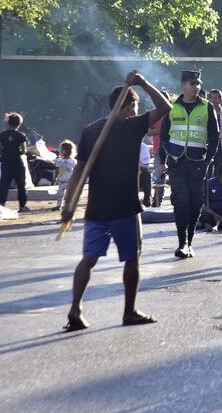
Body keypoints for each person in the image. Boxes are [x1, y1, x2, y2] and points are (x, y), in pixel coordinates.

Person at [62, 71, 172, 332]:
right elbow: (165, 107)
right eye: (135, 106)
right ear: (129, 106)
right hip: (124, 207)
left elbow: (79, 171)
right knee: (132, 259)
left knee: (88, 258)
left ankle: (75, 308)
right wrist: (144, 82)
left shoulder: (91, 131)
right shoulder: (131, 125)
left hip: (97, 208)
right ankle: (129, 311)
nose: (136, 111)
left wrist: (68, 206)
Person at [159, 70, 219, 259]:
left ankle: (190, 242)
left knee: (195, 203)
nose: (196, 87)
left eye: (198, 84)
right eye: (192, 84)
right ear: (182, 85)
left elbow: (215, 137)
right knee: (181, 201)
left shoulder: (207, 107)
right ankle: (182, 242)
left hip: (198, 163)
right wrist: (161, 162)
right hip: (176, 162)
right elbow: (163, 137)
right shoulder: (172, 107)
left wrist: (208, 160)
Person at [0, 112, 30, 212]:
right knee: (21, 185)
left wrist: (6, 151)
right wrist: (17, 151)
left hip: (6, 162)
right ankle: (22, 206)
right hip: (17, 163)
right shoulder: (21, 136)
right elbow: (24, 150)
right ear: (19, 124)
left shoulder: (2, 134)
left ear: (8, 123)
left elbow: (0, 148)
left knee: (4, 184)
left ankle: (1, 204)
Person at [147, 90, 170, 207]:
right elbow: (148, 131)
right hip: (158, 151)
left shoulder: (174, 113)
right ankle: (157, 201)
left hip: (174, 151)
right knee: (158, 177)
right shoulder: (154, 115)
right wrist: (163, 131)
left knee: (176, 177)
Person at [53, 140, 77, 211]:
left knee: (70, 194)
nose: (61, 151)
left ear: (68, 151)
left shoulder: (73, 161)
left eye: (62, 150)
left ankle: (70, 206)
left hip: (70, 180)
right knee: (60, 194)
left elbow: (76, 170)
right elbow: (57, 170)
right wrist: (55, 178)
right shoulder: (59, 160)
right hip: (61, 180)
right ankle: (59, 205)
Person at [138, 140, 152, 207]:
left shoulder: (143, 147)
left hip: (139, 174)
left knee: (146, 174)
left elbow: (146, 166)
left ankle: (147, 199)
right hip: (127, 175)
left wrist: (137, 164)